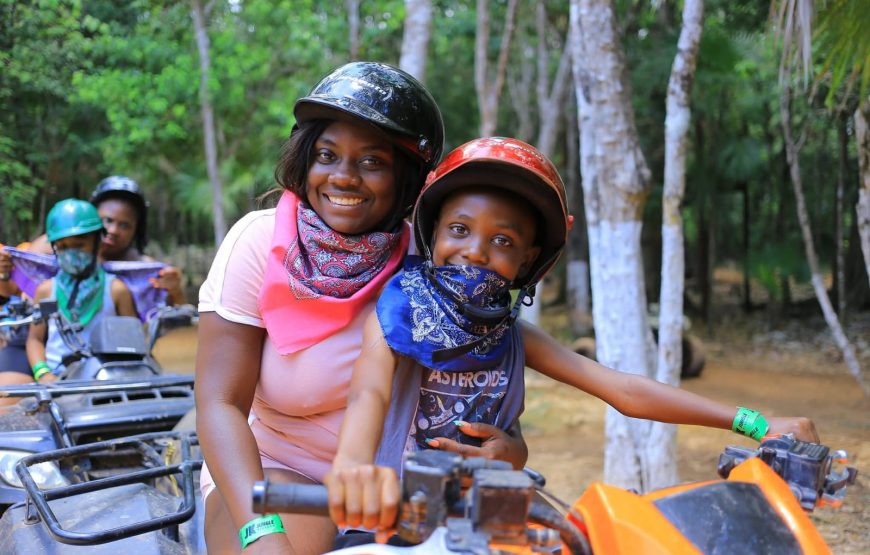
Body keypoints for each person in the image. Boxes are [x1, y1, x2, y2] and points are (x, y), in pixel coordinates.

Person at [323, 137, 820, 537]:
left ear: (527, 262)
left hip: (499, 526)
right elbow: (369, 392)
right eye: (459, 229)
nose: (474, 252)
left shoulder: (515, 338)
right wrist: (352, 467)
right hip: (390, 523)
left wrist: (755, 423)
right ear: (433, 237)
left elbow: (623, 391)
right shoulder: (395, 315)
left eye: (503, 241)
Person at [194, 62, 525, 555]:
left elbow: (485, 383)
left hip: (407, 493)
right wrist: (258, 530)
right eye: (327, 155)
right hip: (276, 478)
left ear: (408, 178)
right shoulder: (259, 243)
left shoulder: (431, 263)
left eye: (371, 162)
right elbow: (220, 404)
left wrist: (511, 449)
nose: (343, 177)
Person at [25, 199, 137, 383]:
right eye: (63, 247)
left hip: (105, 378)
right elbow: (34, 339)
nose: (71, 253)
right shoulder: (46, 291)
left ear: (98, 243)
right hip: (58, 380)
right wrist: (43, 373)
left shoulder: (116, 290)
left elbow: (134, 340)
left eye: (79, 245)